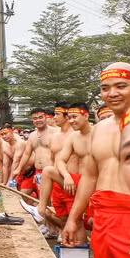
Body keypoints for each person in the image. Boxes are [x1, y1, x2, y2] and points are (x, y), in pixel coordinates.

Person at [64, 64, 130, 258]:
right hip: (104, 218)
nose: (112, 93)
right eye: (105, 88)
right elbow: (89, 177)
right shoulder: (100, 129)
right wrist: (74, 219)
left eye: (121, 86)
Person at [35, 103, 92, 242]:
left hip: (86, 181)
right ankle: (76, 256)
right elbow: (59, 160)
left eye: (74, 116)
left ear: (86, 116)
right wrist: (66, 176)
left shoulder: (98, 133)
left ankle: (39, 211)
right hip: (65, 180)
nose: (71, 120)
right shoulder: (71, 138)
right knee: (65, 219)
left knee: (81, 222)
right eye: (70, 117)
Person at [15, 108, 60, 217]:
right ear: (32, 120)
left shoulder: (55, 132)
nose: (38, 120)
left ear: (46, 118)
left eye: (41, 117)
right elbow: (27, 153)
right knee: (43, 199)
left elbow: (58, 153)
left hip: (51, 171)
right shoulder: (32, 135)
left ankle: (57, 229)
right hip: (38, 172)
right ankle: (48, 225)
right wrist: (18, 168)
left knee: (54, 200)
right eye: (35, 118)